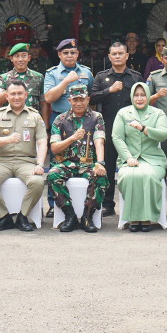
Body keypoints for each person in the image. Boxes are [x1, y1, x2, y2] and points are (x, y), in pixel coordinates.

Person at [0, 80, 47, 232]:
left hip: (26, 162)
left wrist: (40, 164)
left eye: (20, 93)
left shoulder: (35, 116)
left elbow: (42, 142)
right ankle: (4, 217)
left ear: (26, 95)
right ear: (6, 96)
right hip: (3, 161)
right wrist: (7, 139)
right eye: (13, 94)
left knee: (37, 182)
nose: (16, 97)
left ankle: (23, 217)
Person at [90, 41, 142, 216]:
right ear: (109, 57)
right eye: (114, 54)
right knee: (108, 167)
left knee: (133, 165)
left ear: (127, 56)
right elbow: (91, 98)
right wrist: (109, 90)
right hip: (108, 127)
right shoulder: (101, 77)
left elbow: (142, 100)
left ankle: (134, 204)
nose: (117, 56)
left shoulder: (135, 77)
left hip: (131, 129)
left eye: (121, 53)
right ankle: (107, 203)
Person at [43, 38, 93, 216]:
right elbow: (48, 98)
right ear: (59, 54)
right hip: (60, 120)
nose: (69, 55)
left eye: (73, 52)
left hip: (84, 120)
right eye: (65, 53)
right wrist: (65, 81)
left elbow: (91, 98)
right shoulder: (52, 73)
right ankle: (53, 203)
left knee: (85, 157)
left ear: (78, 54)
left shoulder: (86, 72)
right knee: (57, 159)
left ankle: (86, 202)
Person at [48, 85, 108, 233]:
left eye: (82, 99)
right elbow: (54, 148)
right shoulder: (60, 119)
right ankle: (70, 215)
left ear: (88, 100)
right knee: (52, 175)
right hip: (66, 162)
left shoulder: (96, 117)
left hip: (88, 163)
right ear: (69, 100)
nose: (79, 103)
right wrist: (72, 138)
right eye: (75, 100)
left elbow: (99, 141)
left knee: (100, 177)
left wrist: (100, 163)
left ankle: (88, 216)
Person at [111, 83, 167, 232]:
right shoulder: (123, 113)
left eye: (143, 95)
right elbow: (117, 137)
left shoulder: (158, 113)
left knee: (149, 175)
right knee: (129, 176)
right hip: (129, 159)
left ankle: (147, 216)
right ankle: (134, 217)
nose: (139, 98)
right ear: (132, 97)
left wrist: (144, 128)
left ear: (148, 96)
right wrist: (128, 157)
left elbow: (163, 134)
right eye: (136, 95)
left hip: (153, 159)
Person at [0, 43, 45, 113]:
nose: (20, 59)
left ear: (29, 58)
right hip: (10, 118)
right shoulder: (3, 78)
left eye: (24, 56)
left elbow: (43, 103)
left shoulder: (39, 77)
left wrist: (44, 120)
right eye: (17, 56)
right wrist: (11, 90)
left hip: (32, 118)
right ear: (11, 58)